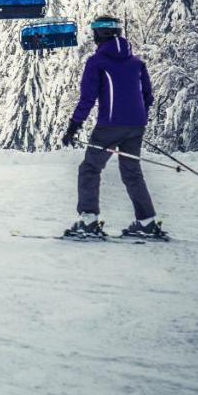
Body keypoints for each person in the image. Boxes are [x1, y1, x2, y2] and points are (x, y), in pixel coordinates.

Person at [61, 16, 163, 239]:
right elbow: (148, 95)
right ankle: (146, 222)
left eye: (95, 32)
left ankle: (88, 221)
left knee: (89, 169)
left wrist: (74, 125)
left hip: (109, 126)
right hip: (136, 125)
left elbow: (87, 98)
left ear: (100, 35)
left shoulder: (97, 62)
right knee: (132, 172)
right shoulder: (137, 63)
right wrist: (136, 118)